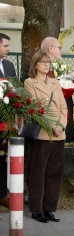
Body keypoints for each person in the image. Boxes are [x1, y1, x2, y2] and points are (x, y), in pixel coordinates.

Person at [24, 50, 67, 222]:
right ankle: (37, 209)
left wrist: (61, 126)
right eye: (42, 62)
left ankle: (50, 208)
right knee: (38, 172)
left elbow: (63, 107)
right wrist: (51, 125)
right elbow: (34, 108)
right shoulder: (30, 82)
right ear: (35, 65)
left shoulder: (55, 82)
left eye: (48, 62)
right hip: (42, 132)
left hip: (58, 133)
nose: (46, 64)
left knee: (55, 172)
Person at [40, 37, 74, 142]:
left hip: (64, 111)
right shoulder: (39, 67)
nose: (61, 51)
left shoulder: (59, 65)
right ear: (50, 49)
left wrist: (72, 81)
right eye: (59, 48)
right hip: (49, 115)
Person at [0, 32, 16, 209]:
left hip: (7, 119)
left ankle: (2, 194)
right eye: (5, 46)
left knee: (3, 155)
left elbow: (15, 88)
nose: (8, 49)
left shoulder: (9, 66)